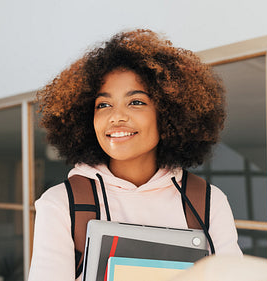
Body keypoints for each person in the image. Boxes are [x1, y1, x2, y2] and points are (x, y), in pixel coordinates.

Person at [28, 29, 242, 281]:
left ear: (168, 114)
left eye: (136, 102)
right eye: (103, 105)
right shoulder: (61, 204)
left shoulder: (206, 202)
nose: (116, 116)